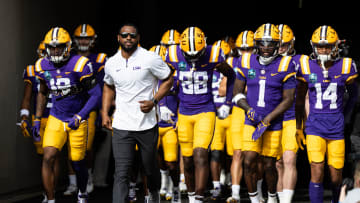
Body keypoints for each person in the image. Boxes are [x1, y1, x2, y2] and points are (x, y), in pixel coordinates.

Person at [101, 22, 174, 203]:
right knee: (122, 171)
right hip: (122, 125)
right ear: (118, 38)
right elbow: (108, 87)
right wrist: (104, 113)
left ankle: (154, 192)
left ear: (138, 38)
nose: (128, 38)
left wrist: (154, 101)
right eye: (124, 35)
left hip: (147, 124)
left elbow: (168, 79)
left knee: (149, 168)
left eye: (132, 35)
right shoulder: (111, 62)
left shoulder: (150, 58)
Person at [165, 26, 235, 203]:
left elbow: (231, 75)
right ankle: (190, 197)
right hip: (184, 112)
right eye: (189, 55)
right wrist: (163, 104)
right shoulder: (173, 53)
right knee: (187, 161)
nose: (193, 58)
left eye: (197, 53)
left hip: (205, 111)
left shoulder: (213, 54)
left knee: (200, 154)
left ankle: (198, 198)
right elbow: (163, 77)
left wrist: (228, 102)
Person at [34, 27, 101, 203]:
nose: (55, 51)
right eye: (52, 47)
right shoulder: (41, 65)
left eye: (59, 47)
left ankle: (82, 193)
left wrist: (81, 116)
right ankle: (50, 199)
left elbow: (96, 94)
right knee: (48, 156)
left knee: (78, 163)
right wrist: (37, 118)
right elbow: (42, 92)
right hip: (56, 117)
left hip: (78, 118)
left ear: (68, 46)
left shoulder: (80, 64)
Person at [232, 23, 296, 203]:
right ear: (256, 44)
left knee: (269, 164)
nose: (266, 48)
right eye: (262, 43)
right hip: (251, 121)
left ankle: (272, 196)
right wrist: (248, 109)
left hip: (273, 123)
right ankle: (253, 199)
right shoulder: (245, 61)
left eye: (270, 44)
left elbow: (289, 99)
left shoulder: (286, 63)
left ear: (278, 44)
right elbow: (236, 93)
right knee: (248, 161)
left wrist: (268, 119)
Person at [296, 25, 358, 203]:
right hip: (315, 126)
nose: (323, 50)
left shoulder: (346, 65)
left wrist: (344, 117)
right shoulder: (306, 65)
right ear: (313, 46)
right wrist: (299, 127)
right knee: (316, 171)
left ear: (336, 46)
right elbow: (299, 100)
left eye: (328, 46)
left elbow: (354, 96)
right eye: (320, 46)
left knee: (336, 176)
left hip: (336, 127)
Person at [61, 23, 107, 195]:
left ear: (93, 40)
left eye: (86, 38)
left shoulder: (100, 59)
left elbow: (104, 86)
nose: (83, 41)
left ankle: (86, 177)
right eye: (80, 38)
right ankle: (73, 183)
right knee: (70, 148)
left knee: (86, 148)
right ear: (74, 40)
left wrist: (103, 110)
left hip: (89, 107)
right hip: (69, 107)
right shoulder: (68, 57)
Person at [18, 40, 58, 203]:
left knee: (51, 156)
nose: (44, 56)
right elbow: (27, 98)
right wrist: (24, 118)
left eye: (46, 52)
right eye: (41, 52)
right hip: (38, 119)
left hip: (55, 117)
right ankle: (48, 190)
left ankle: (51, 195)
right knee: (44, 157)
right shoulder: (32, 71)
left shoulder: (61, 69)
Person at [225, 30, 258, 203]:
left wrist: (242, 87)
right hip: (238, 112)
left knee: (256, 154)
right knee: (237, 153)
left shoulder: (261, 61)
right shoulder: (232, 62)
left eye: (249, 48)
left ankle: (258, 192)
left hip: (257, 110)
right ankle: (236, 193)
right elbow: (223, 89)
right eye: (242, 48)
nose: (246, 52)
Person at [275, 24, 306, 203]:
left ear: (292, 43)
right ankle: (277, 198)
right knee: (277, 164)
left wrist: (304, 124)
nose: (280, 49)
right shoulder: (266, 60)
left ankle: (286, 201)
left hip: (291, 117)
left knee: (289, 160)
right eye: (277, 44)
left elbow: (307, 95)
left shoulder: (300, 61)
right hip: (272, 119)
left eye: (284, 45)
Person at [149, 44, 181, 202]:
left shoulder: (175, 80)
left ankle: (175, 189)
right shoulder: (145, 80)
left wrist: (180, 117)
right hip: (152, 126)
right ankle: (157, 189)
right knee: (152, 161)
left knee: (171, 163)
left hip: (169, 126)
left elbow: (185, 99)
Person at [209, 39, 232, 201]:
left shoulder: (231, 70)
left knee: (232, 154)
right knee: (216, 153)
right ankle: (216, 185)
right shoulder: (207, 70)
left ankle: (229, 180)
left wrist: (229, 104)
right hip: (215, 114)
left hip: (231, 115)